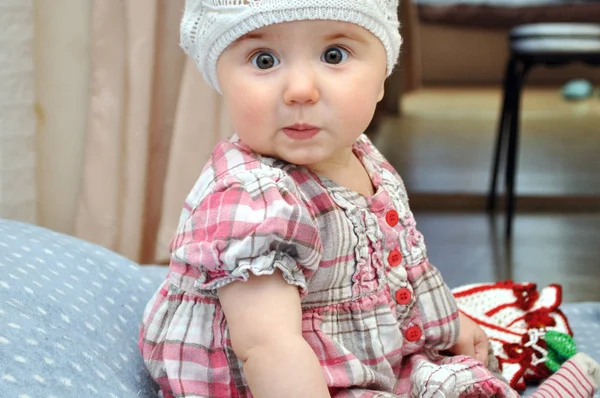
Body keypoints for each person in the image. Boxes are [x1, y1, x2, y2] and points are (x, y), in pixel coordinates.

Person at [139, 1, 600, 396]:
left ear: (383, 78)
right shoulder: (256, 199)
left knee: (447, 376)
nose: (301, 90)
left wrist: (449, 322)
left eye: (333, 54)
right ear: (219, 78)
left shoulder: (362, 155)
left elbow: (399, 266)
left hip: (351, 355)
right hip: (273, 379)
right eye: (263, 60)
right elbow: (267, 347)